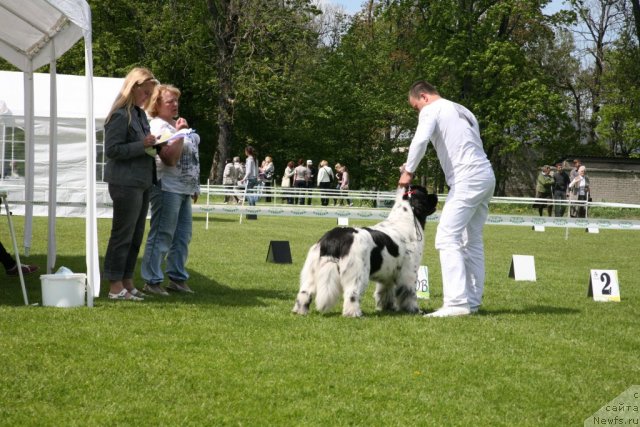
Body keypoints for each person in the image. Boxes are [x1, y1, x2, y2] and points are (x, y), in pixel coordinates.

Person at [398, 80, 495, 317]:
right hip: (485, 175)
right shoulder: (464, 110)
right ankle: (471, 302)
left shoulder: (432, 109)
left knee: (446, 236)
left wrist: (408, 171)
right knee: (471, 240)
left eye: (415, 107)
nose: (418, 112)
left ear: (423, 97)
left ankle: (456, 303)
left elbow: (420, 140)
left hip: (467, 177)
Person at [103, 67, 159, 301]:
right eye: (145, 93)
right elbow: (112, 150)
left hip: (142, 181)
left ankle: (127, 281)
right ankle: (115, 286)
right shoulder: (119, 115)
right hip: (125, 183)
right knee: (122, 235)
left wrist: (155, 144)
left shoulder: (139, 115)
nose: (147, 98)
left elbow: (140, 145)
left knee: (136, 236)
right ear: (133, 88)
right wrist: (142, 145)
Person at [141, 84, 200, 295]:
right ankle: (152, 280)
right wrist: (182, 133)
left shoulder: (175, 125)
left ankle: (176, 277)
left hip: (183, 188)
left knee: (183, 236)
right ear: (157, 104)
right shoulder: (158, 127)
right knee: (162, 234)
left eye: (176, 101)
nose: (175, 105)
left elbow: (190, 159)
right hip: (166, 187)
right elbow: (169, 159)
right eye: (170, 101)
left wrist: (194, 186)